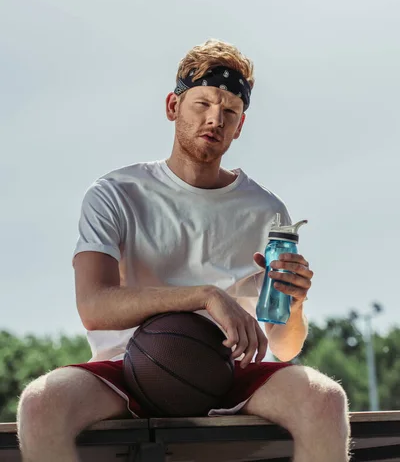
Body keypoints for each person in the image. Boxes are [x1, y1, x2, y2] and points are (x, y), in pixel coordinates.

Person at [17, 39, 351, 461]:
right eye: (203, 104)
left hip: (231, 369)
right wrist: (206, 296)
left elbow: (284, 346)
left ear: (240, 125)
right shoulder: (115, 194)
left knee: (325, 399)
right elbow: (93, 305)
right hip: (130, 365)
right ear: (173, 106)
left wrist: (296, 304)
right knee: (40, 403)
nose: (215, 119)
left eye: (229, 111)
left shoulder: (266, 210)